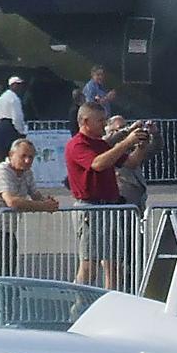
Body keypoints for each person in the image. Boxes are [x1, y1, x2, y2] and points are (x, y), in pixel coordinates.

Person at [66, 102, 149, 289]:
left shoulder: (101, 144)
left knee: (114, 263)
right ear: (85, 122)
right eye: (100, 120)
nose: (104, 124)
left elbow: (130, 163)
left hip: (109, 208)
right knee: (89, 266)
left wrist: (141, 145)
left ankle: (111, 303)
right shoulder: (77, 144)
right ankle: (79, 307)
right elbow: (97, 164)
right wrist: (126, 142)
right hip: (90, 209)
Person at [0, 137, 59, 275]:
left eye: (31, 157)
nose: (27, 161)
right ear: (11, 155)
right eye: (23, 156)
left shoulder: (27, 173)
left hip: (8, 230)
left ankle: (7, 296)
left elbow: (35, 194)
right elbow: (12, 201)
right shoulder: (2, 171)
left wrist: (48, 201)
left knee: (8, 273)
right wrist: (43, 206)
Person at [0, 75, 29, 160]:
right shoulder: (14, 99)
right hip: (10, 128)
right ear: (12, 85)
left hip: (1, 127)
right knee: (12, 155)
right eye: (18, 84)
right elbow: (17, 117)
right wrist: (21, 131)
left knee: (1, 156)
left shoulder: (1, 98)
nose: (20, 87)